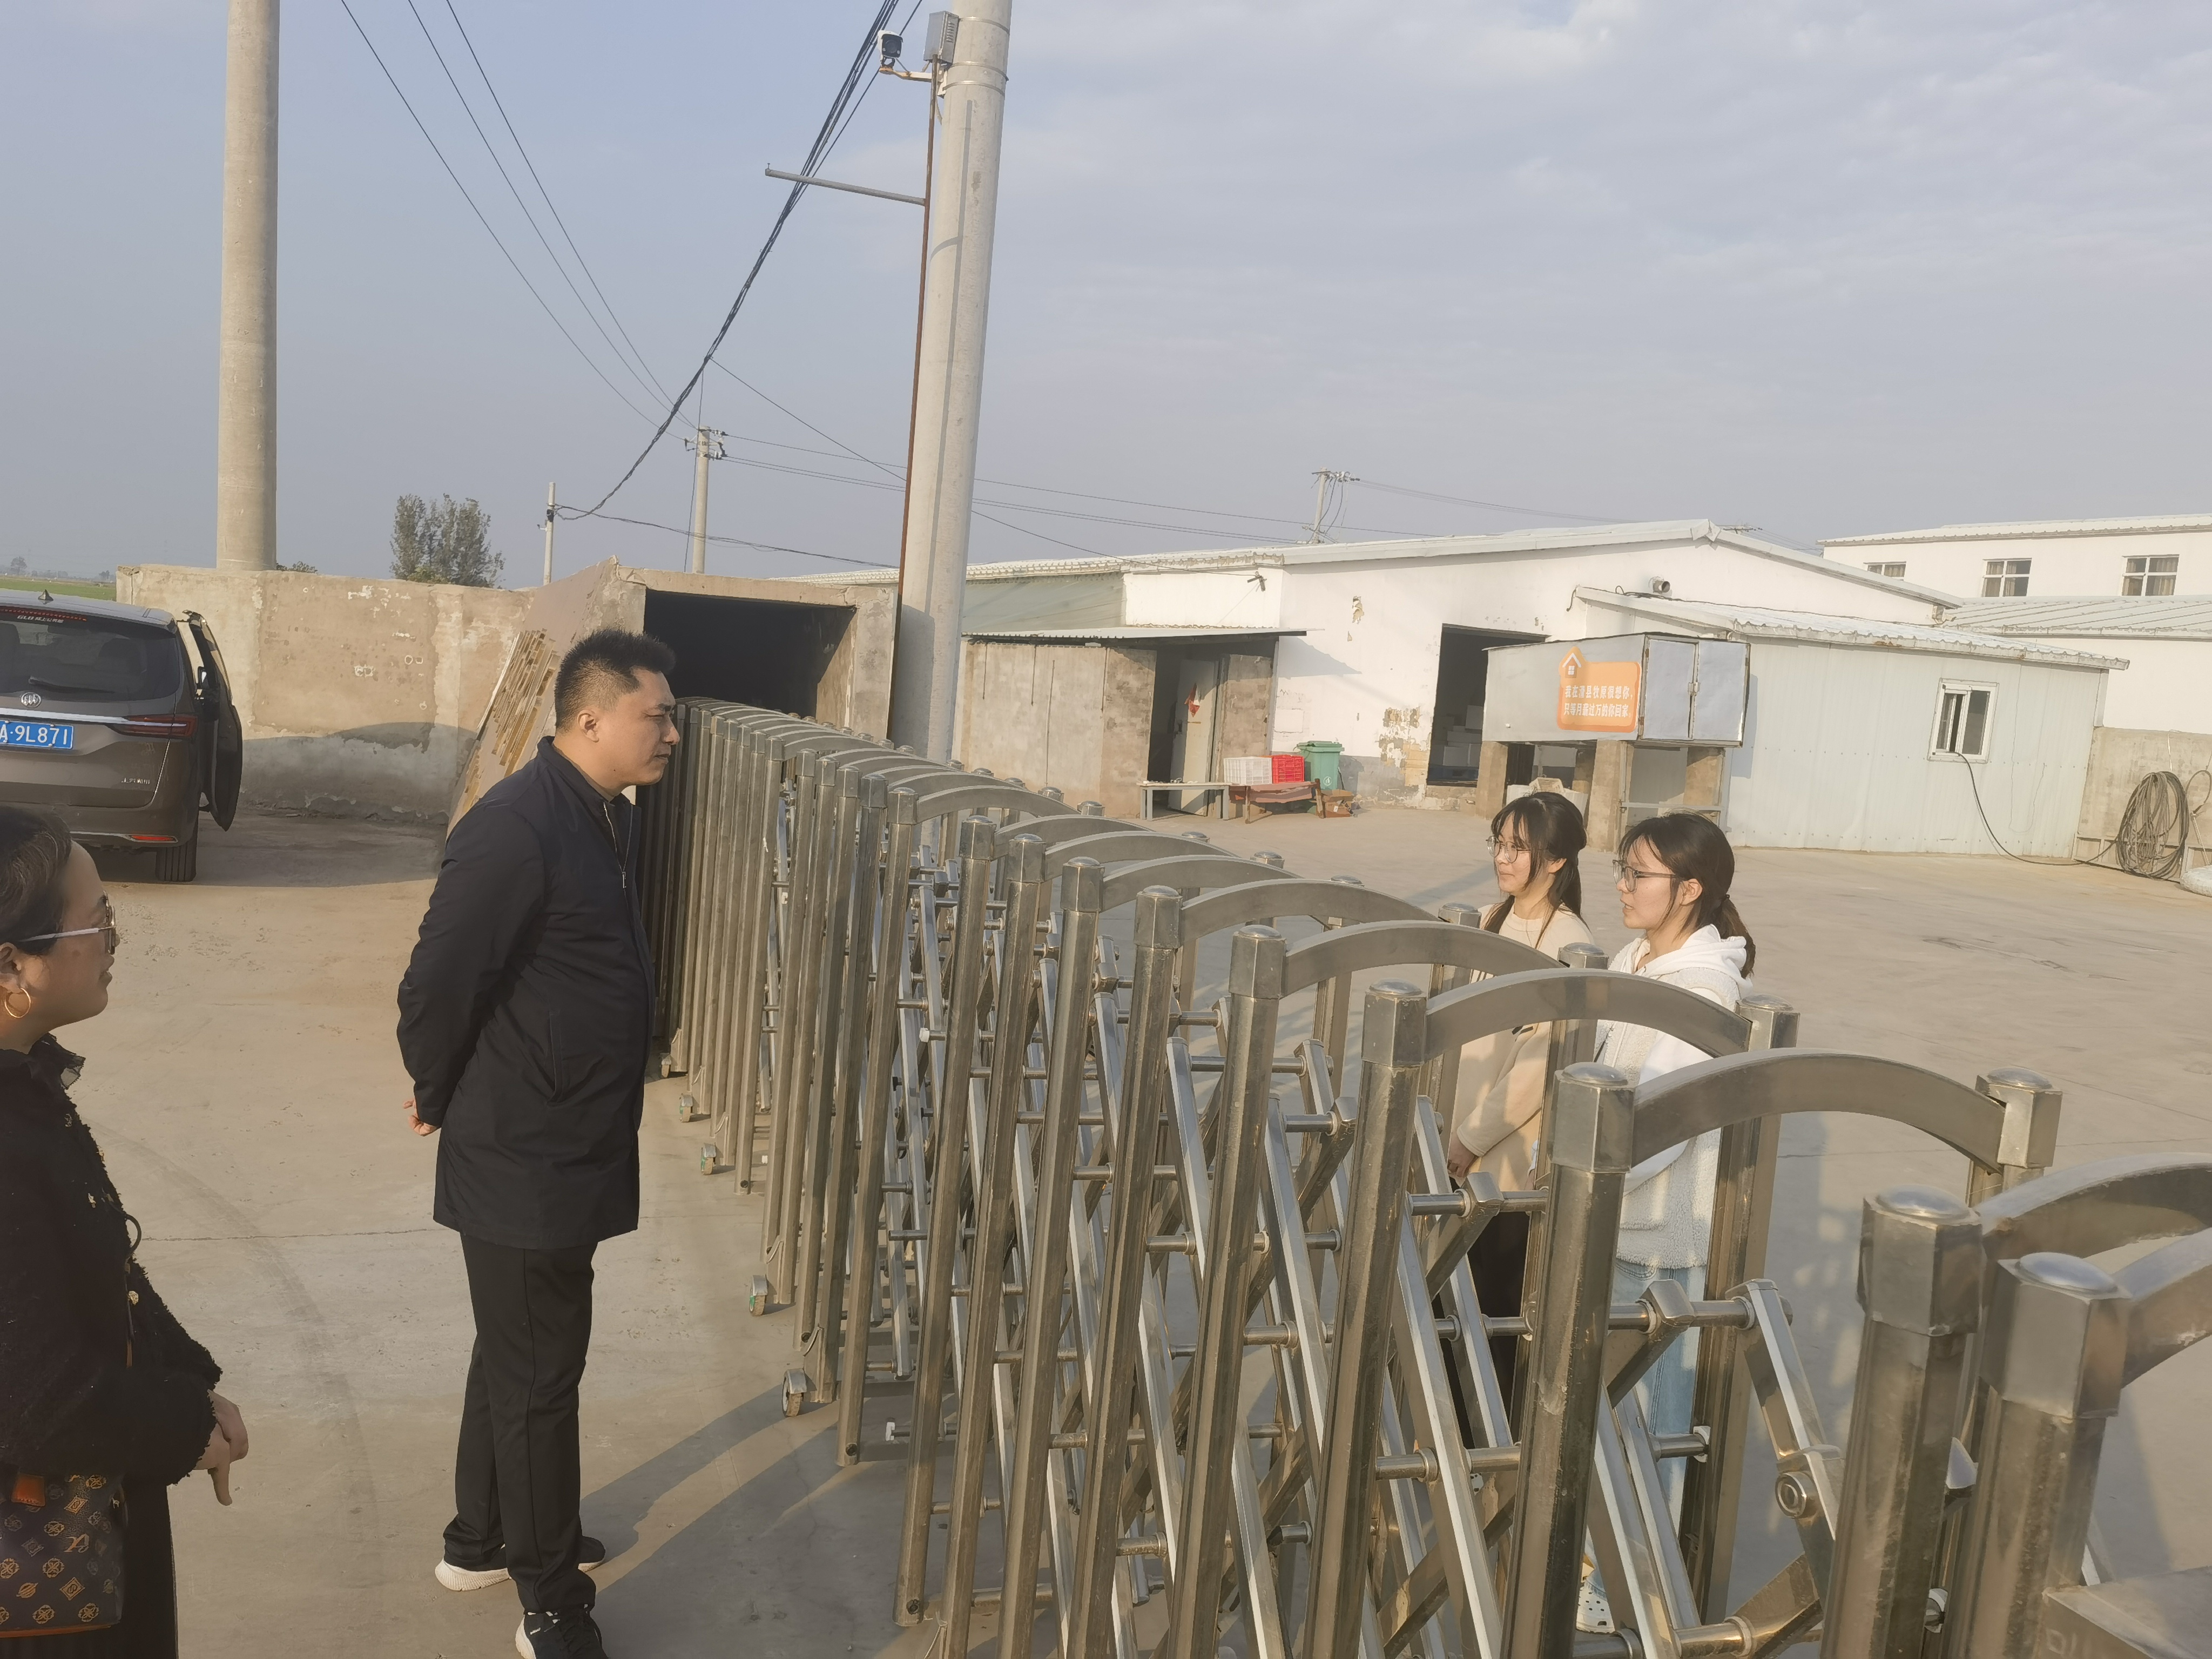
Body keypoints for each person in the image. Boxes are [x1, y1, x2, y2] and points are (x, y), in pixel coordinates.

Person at [397, 629, 678, 1659]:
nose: (672, 732)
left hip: (567, 1140)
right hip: (524, 1150)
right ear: (590, 718)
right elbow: (436, 982)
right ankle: (551, 1601)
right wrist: (434, 1088)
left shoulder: (600, 815)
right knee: (539, 1379)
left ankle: (480, 1536)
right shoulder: (516, 827)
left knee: (515, 1351)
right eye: (656, 715)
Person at [0, 807, 248, 1657]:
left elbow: (104, 1273)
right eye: (98, 919)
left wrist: (190, 1381)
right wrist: (181, 1423)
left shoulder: (25, 1089)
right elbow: (39, 1401)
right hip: (37, 1583)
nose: (113, 939)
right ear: (13, 965)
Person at [1581, 812, 1754, 1633]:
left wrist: (1584, 1171)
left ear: (1688, 890)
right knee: (1605, 1415)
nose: (1623, 885)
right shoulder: (1634, 959)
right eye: (1622, 868)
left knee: (1648, 1422)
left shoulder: (1703, 991)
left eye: (1638, 874)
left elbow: (1662, 1123)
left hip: (1657, 1236)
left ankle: (1639, 1594)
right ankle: (1599, 1571)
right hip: (1609, 1218)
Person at [1444, 792, 1593, 1394]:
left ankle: (1487, 1436)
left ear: (1556, 861)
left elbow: (1538, 1065)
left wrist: (1469, 1139)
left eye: (1518, 848)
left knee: (1491, 1312)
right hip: (1454, 1142)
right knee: (1445, 1302)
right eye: (1499, 843)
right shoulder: (1489, 919)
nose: (1503, 858)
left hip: (1500, 1157)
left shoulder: (1570, 944)